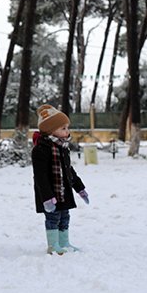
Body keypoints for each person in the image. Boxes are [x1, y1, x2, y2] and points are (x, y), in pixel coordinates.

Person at [31, 104, 88, 255]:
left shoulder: (63, 147)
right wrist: (47, 197)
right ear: (50, 130)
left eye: (67, 127)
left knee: (64, 216)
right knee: (53, 217)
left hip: (64, 191)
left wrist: (80, 188)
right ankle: (53, 245)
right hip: (50, 193)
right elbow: (40, 176)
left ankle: (64, 242)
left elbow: (69, 170)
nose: (67, 131)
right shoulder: (41, 149)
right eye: (63, 128)